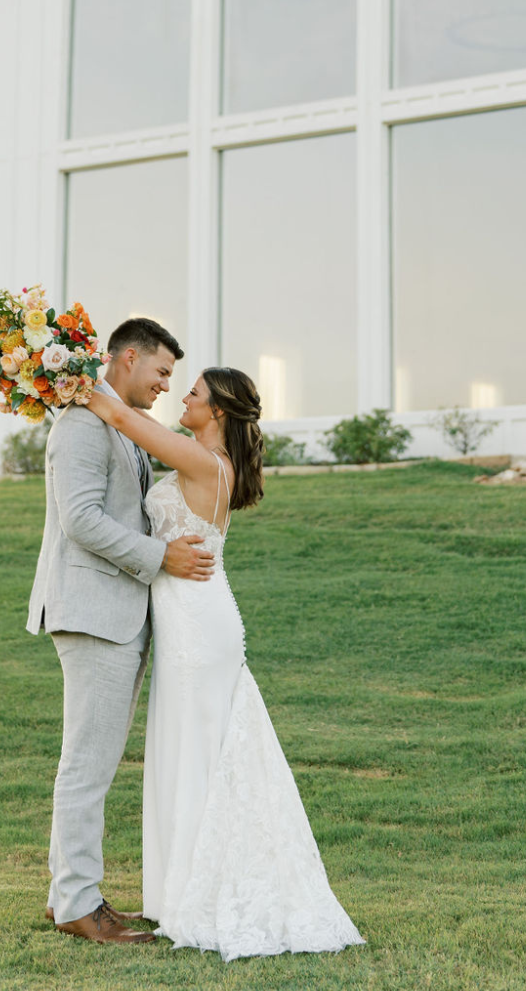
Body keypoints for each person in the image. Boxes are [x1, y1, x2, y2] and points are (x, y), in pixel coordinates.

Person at [84, 366, 365, 961]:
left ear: (216, 412)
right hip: (190, 624)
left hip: (199, 631)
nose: (182, 397)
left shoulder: (203, 461)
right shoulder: (203, 460)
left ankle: (199, 891)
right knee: (184, 751)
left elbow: (122, 417)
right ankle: (175, 890)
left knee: (197, 753)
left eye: (194, 393)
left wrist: (57, 367)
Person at [26, 317, 215, 946]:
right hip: (92, 612)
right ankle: (79, 904)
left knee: (94, 764)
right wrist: (161, 558)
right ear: (126, 357)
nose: (166, 385)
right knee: (87, 765)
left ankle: (73, 896)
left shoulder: (117, 425)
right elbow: (80, 519)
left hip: (119, 616)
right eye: (161, 371)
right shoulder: (81, 423)